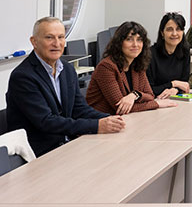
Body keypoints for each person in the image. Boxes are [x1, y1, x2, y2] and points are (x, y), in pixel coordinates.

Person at [6, 17, 126, 156]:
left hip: (67, 143)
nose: (56, 43)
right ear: (34, 42)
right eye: (49, 37)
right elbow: (46, 121)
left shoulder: (67, 69)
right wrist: (97, 126)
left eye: (61, 37)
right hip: (40, 153)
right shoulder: (23, 76)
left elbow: (79, 109)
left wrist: (110, 119)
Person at [86, 21, 178, 114]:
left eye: (139, 40)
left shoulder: (137, 64)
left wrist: (135, 95)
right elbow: (120, 107)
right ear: (119, 43)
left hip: (124, 119)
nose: (135, 44)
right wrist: (157, 104)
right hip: (101, 122)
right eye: (129, 39)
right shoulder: (106, 67)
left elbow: (150, 95)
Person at [147, 12, 191, 98]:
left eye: (178, 29)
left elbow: (184, 83)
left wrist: (175, 89)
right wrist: (173, 84)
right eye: (170, 29)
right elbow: (149, 90)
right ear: (162, 33)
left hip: (176, 99)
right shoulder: (150, 54)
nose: (174, 34)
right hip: (155, 101)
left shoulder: (185, 51)